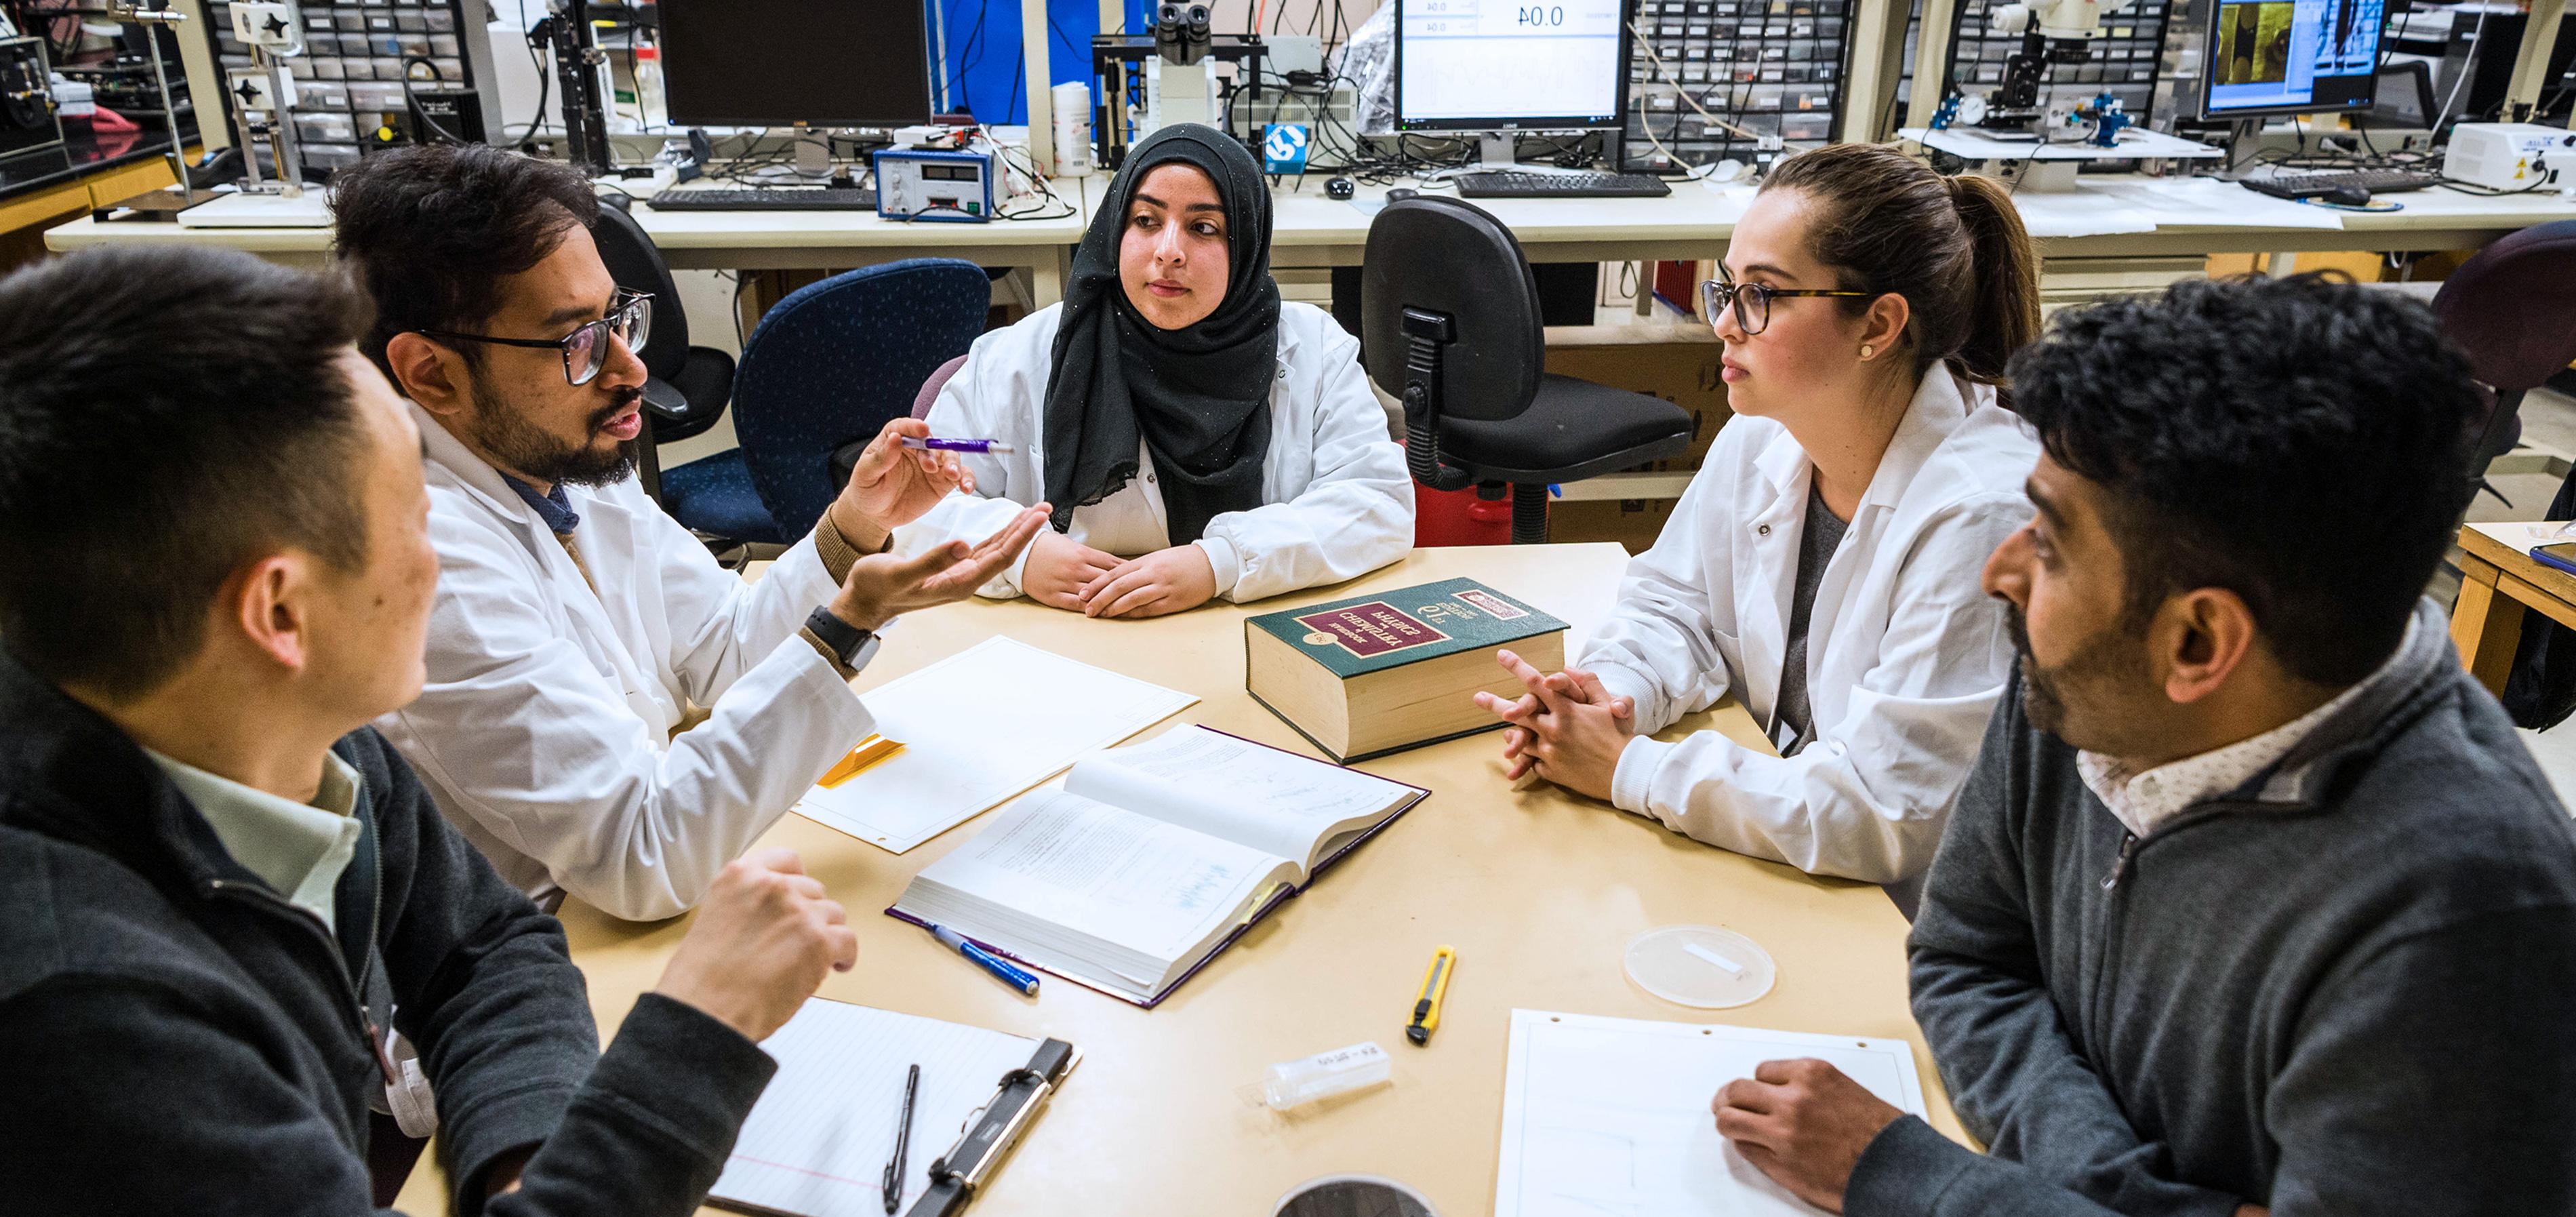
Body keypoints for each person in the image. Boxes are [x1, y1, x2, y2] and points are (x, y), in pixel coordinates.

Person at [0, 245, 860, 1214]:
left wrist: (526, 1162)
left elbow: (485, 947)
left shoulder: (294, 733)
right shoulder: (89, 1021)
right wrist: (702, 1031)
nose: (442, 555)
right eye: (415, 513)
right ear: (279, 614)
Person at [1707, 275, 2576, 1216]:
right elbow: (1965, 957)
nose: (2004, 568)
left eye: (2051, 542)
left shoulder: (2465, 927)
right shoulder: (2086, 677)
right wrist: (2127, 1192)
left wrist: (1922, 1178)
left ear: (2199, 643)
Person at [331, 144, 1047, 920]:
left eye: (617, 319)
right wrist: (845, 627)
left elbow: (726, 650)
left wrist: (856, 523)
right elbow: (641, 857)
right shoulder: (425, 570)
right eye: (575, 341)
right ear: (431, 374)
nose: (630, 369)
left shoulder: (551, 459)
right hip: (551, 952)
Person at [1476, 144, 2041, 894]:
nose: (1725, 325)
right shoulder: (1765, 433)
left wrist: (1626, 766)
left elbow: (1883, 808)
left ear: (1877, 325)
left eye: (1762, 295)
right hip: (1791, 855)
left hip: (1903, 915)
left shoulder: (1981, 512)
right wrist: (1610, 696)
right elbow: (1676, 606)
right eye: (1727, 288)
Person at [894, 123, 1411, 618]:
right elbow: (920, 501)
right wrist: (1021, 556)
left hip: (1250, 636)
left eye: (1203, 227)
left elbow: (1377, 502)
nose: (1168, 251)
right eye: (1146, 220)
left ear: (1247, 246)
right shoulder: (1021, 354)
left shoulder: (1315, 351)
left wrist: (1222, 562)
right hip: (1060, 639)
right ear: (1116, 228)